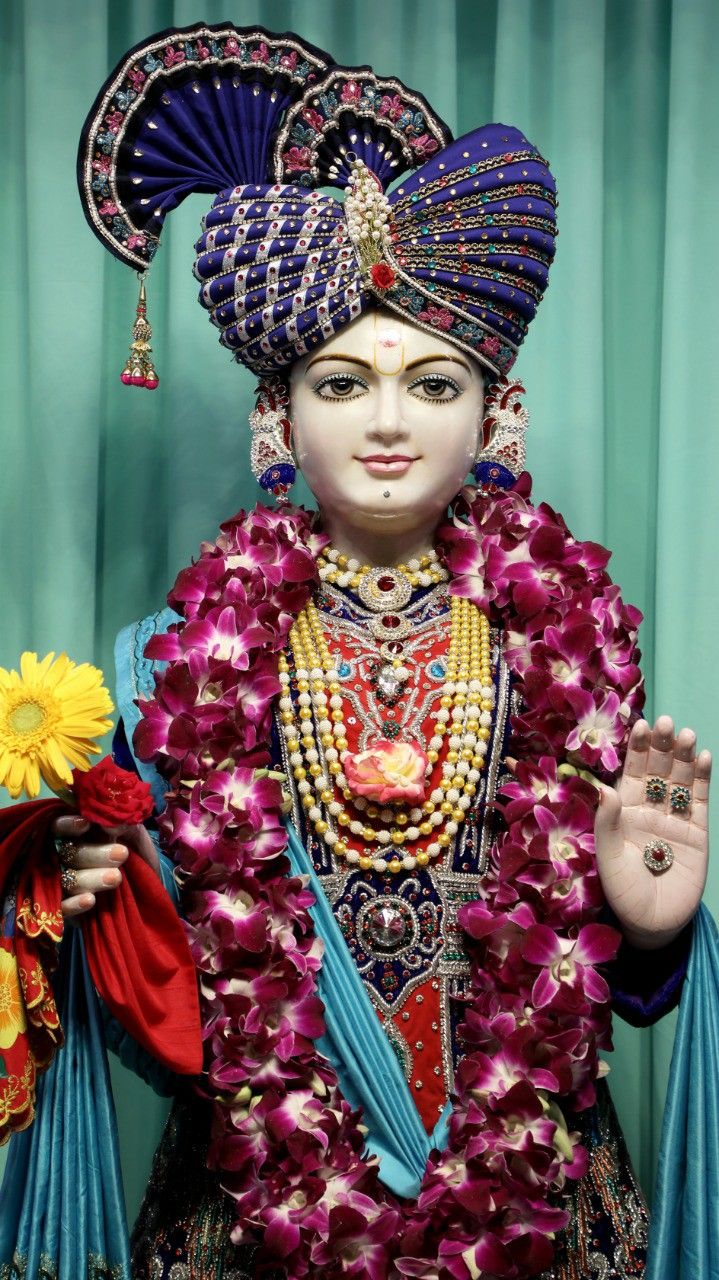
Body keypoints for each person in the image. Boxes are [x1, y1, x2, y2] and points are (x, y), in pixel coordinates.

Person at [9, 20, 714, 1280]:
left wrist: (653, 934)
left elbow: (596, 985)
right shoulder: (168, 664)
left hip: (530, 1208)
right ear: (275, 414)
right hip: (251, 1212)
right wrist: (73, 910)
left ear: (493, 412)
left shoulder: (570, 642)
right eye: (340, 384)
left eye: (431, 385)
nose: (387, 422)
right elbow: (155, 1011)